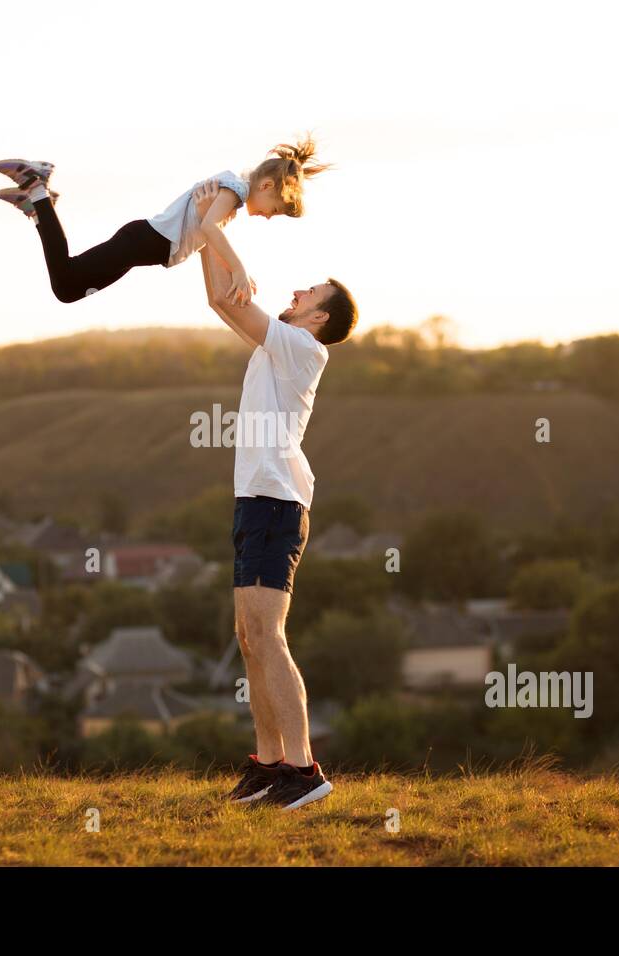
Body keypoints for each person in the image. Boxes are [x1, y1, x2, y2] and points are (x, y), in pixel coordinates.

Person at [193, 180, 358, 810]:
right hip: (254, 500)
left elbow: (234, 294)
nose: (297, 293)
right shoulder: (276, 347)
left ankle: (303, 770)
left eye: (308, 293)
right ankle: (267, 765)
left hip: (277, 504)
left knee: (268, 633)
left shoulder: (301, 348)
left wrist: (216, 213)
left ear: (319, 318)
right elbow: (219, 298)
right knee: (249, 634)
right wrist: (205, 224)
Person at [0, 136, 329, 305]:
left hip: (140, 246)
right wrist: (239, 268)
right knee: (65, 281)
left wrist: (233, 264)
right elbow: (210, 230)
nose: (270, 216)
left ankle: (39, 209)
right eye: (276, 208)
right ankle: (38, 191)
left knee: (67, 290)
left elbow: (207, 234)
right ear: (266, 186)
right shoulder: (235, 191)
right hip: (140, 242)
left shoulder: (231, 197)